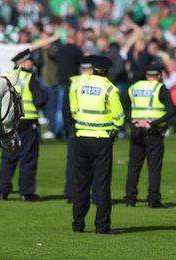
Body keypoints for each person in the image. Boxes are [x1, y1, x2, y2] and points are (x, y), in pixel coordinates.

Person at [70, 55, 124, 234]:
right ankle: (102, 226)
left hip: (81, 137)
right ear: (107, 71)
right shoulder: (110, 88)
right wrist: (114, 128)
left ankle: (78, 224)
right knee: (101, 184)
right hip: (102, 139)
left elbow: (74, 109)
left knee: (80, 183)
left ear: (92, 69)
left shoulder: (79, 84)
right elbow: (119, 118)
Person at [0, 49, 48, 201]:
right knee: (28, 158)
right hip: (27, 123)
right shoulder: (30, 77)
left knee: (8, 157)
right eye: (30, 61)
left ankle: (2, 191)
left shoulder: (6, 77)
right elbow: (40, 100)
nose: (32, 63)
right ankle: (26, 192)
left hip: (9, 123)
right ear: (24, 62)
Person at [123, 63, 176, 208]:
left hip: (136, 130)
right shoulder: (160, 88)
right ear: (159, 76)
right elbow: (171, 111)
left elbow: (124, 109)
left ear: (147, 75)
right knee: (154, 167)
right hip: (153, 131)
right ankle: (153, 200)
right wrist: (153, 123)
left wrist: (132, 121)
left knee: (134, 166)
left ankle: (130, 199)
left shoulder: (133, 87)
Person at [64, 55, 93, 203]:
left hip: (75, 126)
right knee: (92, 164)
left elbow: (65, 107)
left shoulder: (72, 82)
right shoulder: (97, 83)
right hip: (93, 128)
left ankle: (71, 193)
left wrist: (69, 126)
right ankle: (92, 194)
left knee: (73, 162)